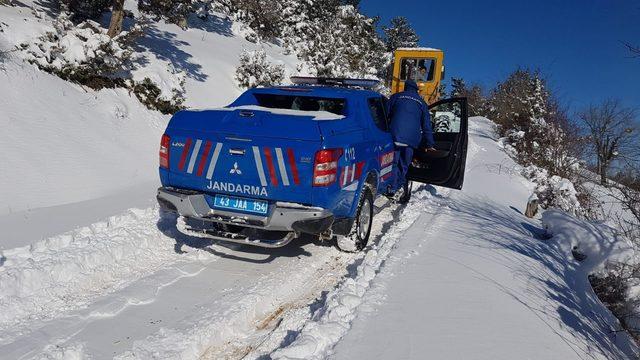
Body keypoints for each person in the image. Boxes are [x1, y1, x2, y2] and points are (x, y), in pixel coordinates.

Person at [386, 79, 436, 203]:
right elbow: (426, 126)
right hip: (411, 140)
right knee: (404, 165)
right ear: (416, 89)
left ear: (405, 87)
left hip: (393, 136)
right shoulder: (421, 103)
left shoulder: (395, 97)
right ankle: (396, 188)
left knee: (392, 163)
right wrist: (429, 144)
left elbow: (386, 115)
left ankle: (389, 187)